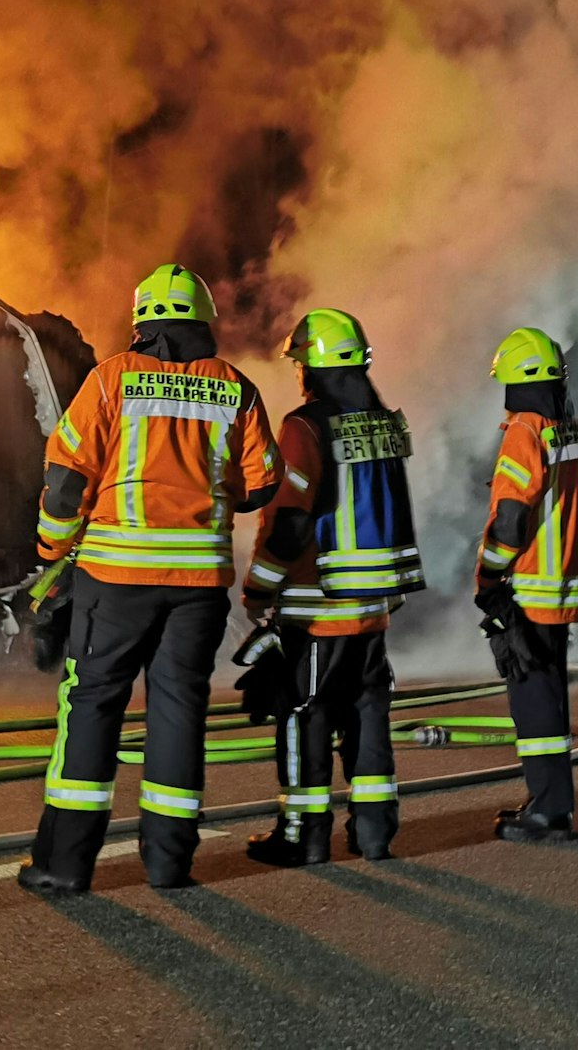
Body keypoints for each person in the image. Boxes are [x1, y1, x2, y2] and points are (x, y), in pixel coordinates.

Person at [17, 263, 281, 895]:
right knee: (179, 713)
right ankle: (169, 865)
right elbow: (261, 482)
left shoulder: (111, 380)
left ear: (142, 322)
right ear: (201, 322)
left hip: (114, 582)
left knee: (93, 709)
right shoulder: (235, 389)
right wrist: (203, 488)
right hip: (197, 590)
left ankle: (65, 866)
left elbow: (66, 480)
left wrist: (53, 552)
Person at [241, 308, 422, 867]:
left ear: (313, 368)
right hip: (374, 611)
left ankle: (303, 835)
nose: (298, 374)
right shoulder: (385, 423)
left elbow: (291, 520)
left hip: (319, 609)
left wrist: (259, 587)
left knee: (305, 714)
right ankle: (374, 833)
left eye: (300, 364)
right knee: (368, 716)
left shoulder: (305, 427)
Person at [474, 325, 578, 843]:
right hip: (563, 586)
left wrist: (492, 575)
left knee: (534, 703)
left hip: (529, 588)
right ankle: (551, 801)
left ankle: (548, 813)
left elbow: (510, 518)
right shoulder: (573, 430)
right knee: (551, 699)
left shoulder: (525, 429)